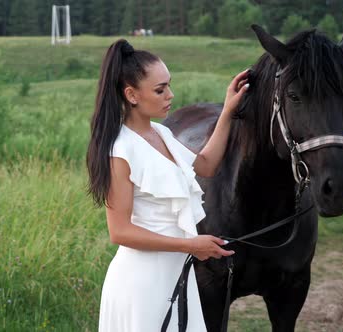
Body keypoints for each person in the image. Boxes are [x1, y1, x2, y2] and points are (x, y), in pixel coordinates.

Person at [85, 39, 249, 331]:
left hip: (176, 276)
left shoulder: (162, 134)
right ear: (131, 95)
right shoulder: (120, 151)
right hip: (141, 286)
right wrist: (189, 244)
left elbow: (206, 165)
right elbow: (119, 231)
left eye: (169, 85)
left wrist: (227, 110)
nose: (170, 95)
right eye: (160, 90)